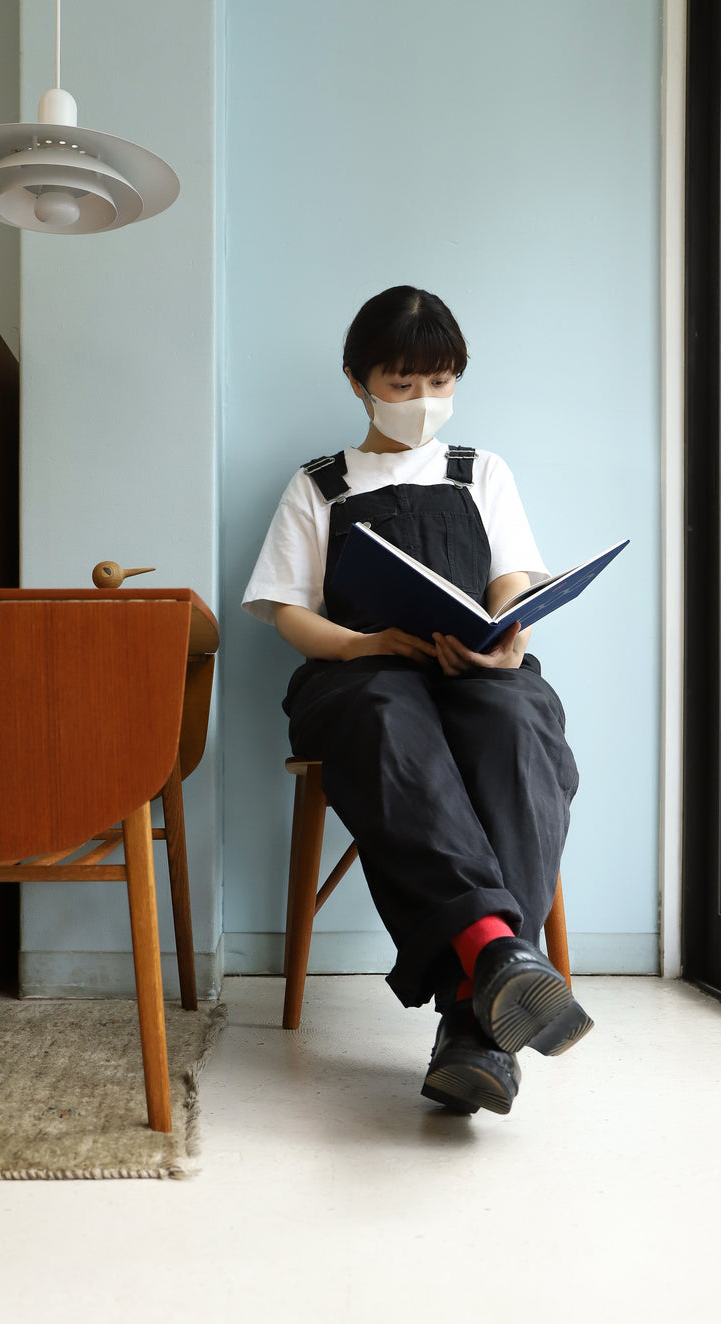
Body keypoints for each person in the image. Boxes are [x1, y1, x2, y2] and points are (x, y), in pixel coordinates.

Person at [242, 284, 592, 1117]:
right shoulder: (318, 484)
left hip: (472, 666)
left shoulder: (482, 471)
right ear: (358, 381)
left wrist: (510, 636)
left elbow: (512, 574)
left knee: (516, 721)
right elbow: (288, 609)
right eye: (402, 384)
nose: (423, 403)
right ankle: (494, 963)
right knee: (388, 717)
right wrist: (366, 644)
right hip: (360, 672)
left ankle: (477, 1007)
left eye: (441, 383)